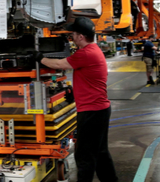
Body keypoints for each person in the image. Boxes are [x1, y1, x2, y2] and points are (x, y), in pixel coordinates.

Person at [34, 18, 118, 182]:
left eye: (73, 33)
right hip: (99, 109)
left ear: (81, 36)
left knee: (84, 154)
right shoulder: (93, 50)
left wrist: (40, 58)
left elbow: (60, 63)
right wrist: (75, 91)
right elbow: (88, 78)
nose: (71, 36)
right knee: (100, 152)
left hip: (92, 111)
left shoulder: (86, 53)